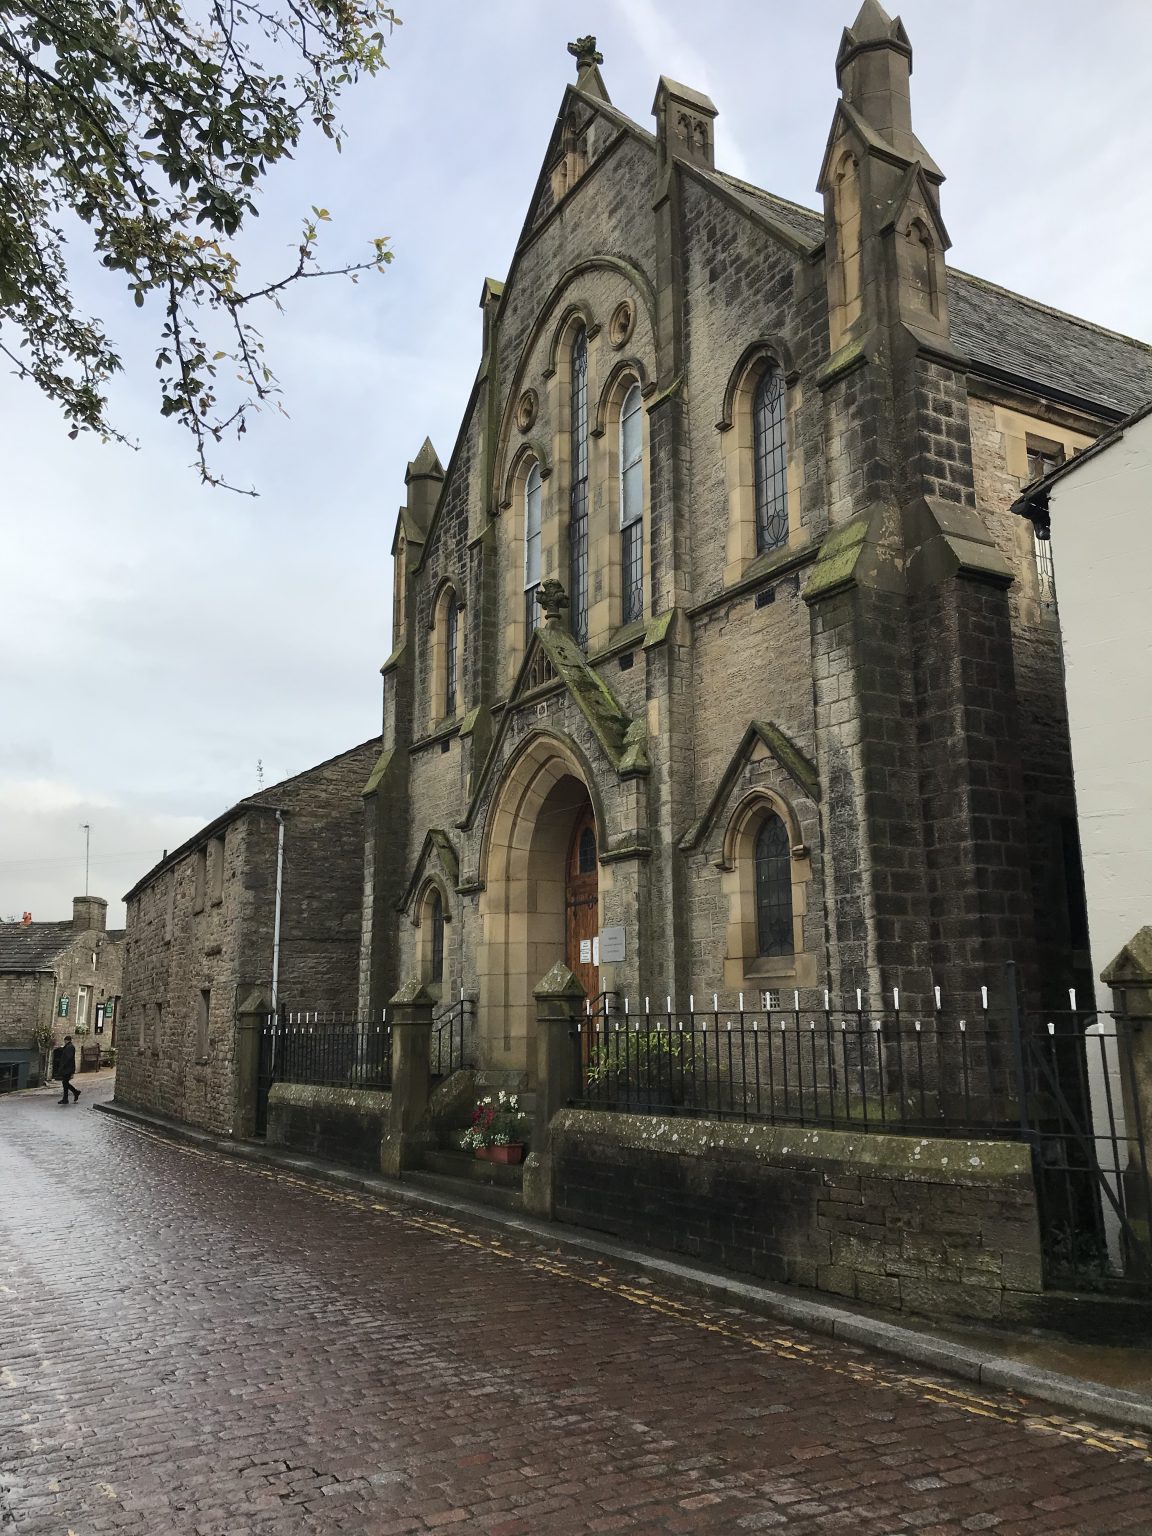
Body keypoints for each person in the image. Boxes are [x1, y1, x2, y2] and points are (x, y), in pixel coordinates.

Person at [57, 1035, 80, 1105]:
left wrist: (63, 1066)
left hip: (68, 1068)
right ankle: (69, 1096)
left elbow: (68, 1058)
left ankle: (74, 1093)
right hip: (68, 1068)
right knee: (65, 1083)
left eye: (64, 1041)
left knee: (65, 1083)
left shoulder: (70, 1047)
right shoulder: (69, 1046)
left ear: (66, 1040)